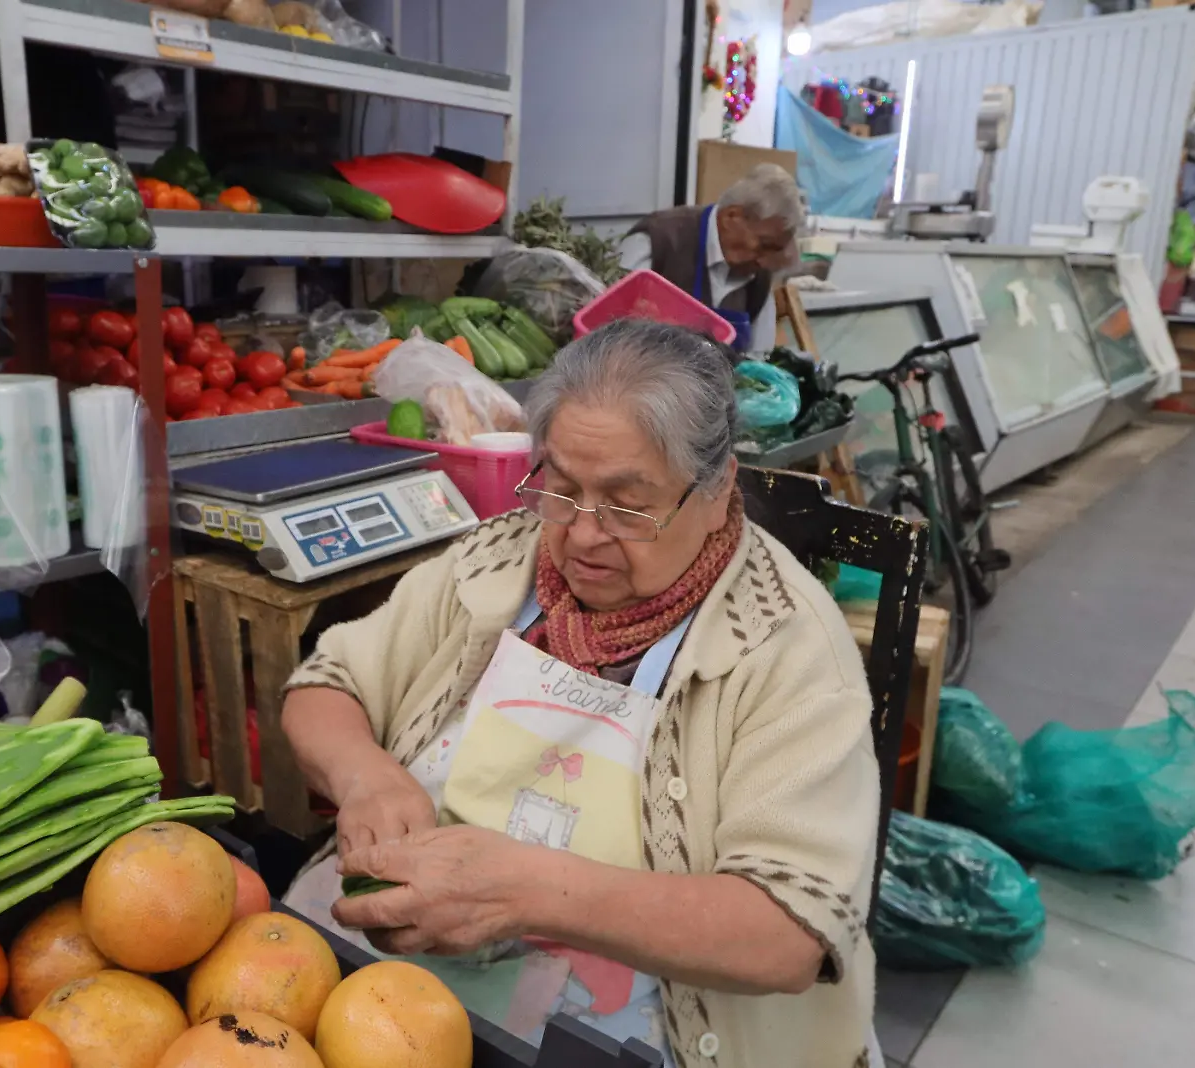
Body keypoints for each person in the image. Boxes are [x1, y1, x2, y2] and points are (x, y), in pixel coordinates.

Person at [280, 319, 879, 1067]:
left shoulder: (784, 644)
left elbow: (789, 934)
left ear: (720, 486)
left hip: (639, 1027)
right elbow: (324, 686)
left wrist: (523, 890)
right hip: (407, 992)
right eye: (561, 490)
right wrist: (364, 775)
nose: (585, 536)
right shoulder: (499, 560)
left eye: (627, 506)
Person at [616, 163, 806, 352]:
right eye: (764, 244)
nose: (764, 261)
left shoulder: (759, 278)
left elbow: (759, 356)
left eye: (775, 250)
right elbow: (608, 327)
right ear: (731, 217)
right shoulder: (658, 240)